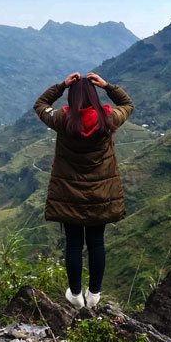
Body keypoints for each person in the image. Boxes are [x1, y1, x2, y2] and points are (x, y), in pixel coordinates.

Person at [33, 71, 134, 309]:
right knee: (97, 242)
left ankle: (76, 295)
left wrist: (61, 85)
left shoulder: (61, 120)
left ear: (71, 97)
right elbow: (127, 104)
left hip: (69, 195)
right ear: (95, 96)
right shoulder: (109, 119)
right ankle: (94, 294)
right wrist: (107, 86)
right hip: (101, 195)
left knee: (74, 244)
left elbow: (41, 105)